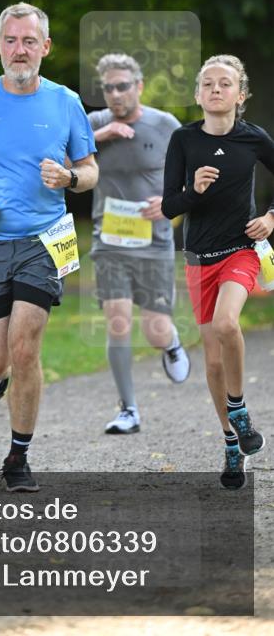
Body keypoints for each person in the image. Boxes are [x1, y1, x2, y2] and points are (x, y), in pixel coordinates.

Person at [0, 2, 98, 492]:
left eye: (29, 41)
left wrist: (70, 177)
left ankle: (18, 458)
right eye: (11, 40)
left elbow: (90, 171)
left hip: (46, 240)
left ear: (45, 47)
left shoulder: (66, 101)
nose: (20, 50)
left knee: (25, 347)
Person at [162, 54, 274, 490]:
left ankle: (240, 410)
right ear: (197, 95)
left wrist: (271, 217)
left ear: (240, 95)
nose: (215, 90)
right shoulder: (183, 140)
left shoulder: (253, 139)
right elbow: (169, 205)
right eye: (207, 84)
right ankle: (231, 443)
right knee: (212, 364)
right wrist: (194, 190)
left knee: (228, 324)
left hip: (241, 251)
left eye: (225, 84)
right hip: (198, 258)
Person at [88, 54, 191, 435]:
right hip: (108, 240)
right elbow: (58, 159)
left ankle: (171, 344)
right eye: (108, 88)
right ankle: (128, 409)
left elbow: (194, 181)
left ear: (139, 86)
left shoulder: (165, 125)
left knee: (155, 330)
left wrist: (169, 205)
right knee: (117, 321)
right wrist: (101, 136)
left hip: (154, 241)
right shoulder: (92, 124)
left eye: (123, 86)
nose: (115, 94)